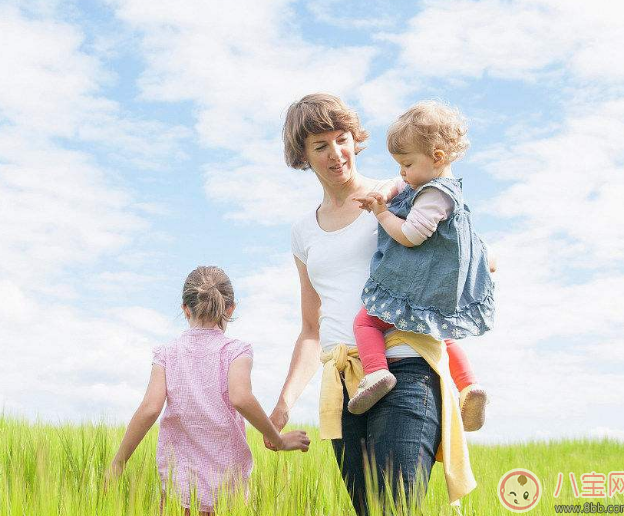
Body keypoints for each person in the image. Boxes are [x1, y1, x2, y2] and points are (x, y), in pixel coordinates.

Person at [269, 94, 475, 516]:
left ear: (355, 139)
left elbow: (456, 241)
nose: (336, 153)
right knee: (366, 510)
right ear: (302, 155)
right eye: (320, 145)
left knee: (397, 507)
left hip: (406, 368)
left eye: (341, 138)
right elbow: (311, 329)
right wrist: (284, 403)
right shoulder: (302, 232)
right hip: (345, 382)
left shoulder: (397, 193)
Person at [107, 266, 310, 515]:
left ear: (185, 308)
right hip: (227, 492)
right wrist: (277, 440)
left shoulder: (167, 354)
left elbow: (150, 409)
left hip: (178, 492)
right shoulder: (235, 351)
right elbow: (241, 397)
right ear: (230, 308)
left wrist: (118, 463)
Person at [347, 101, 494, 434]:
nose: (402, 172)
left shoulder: (431, 196)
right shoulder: (441, 189)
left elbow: (411, 235)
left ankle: (376, 373)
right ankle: (469, 385)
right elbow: (398, 186)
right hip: (439, 292)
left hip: (415, 284)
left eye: (407, 163)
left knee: (366, 321)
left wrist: (383, 215)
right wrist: (386, 191)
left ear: (437, 157)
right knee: (441, 333)